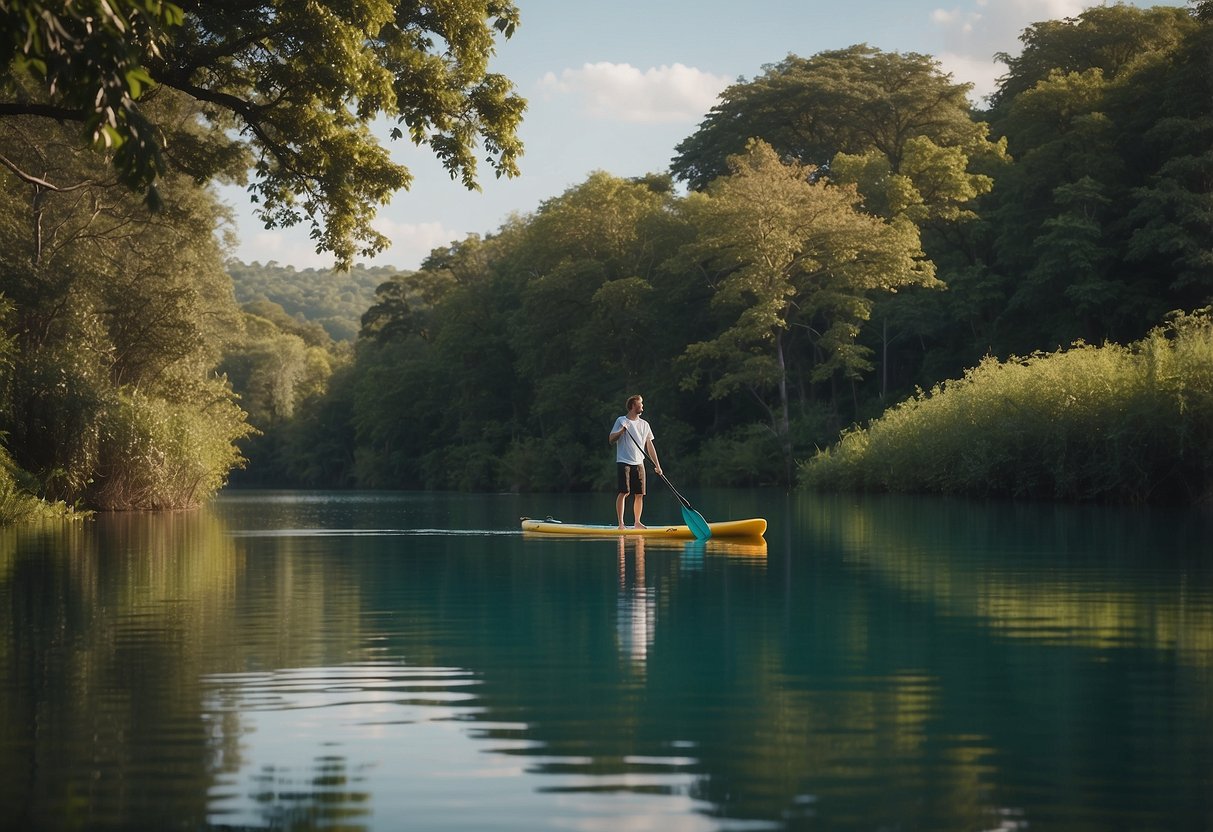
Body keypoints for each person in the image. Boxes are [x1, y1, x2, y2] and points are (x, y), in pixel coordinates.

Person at [608, 395, 662, 529]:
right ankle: (621, 523)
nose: (642, 406)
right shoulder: (621, 420)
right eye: (640, 403)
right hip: (624, 461)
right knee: (624, 492)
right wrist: (622, 430)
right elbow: (611, 439)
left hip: (639, 463)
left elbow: (649, 445)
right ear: (633, 406)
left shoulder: (645, 424)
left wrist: (657, 466)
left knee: (639, 494)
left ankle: (637, 522)